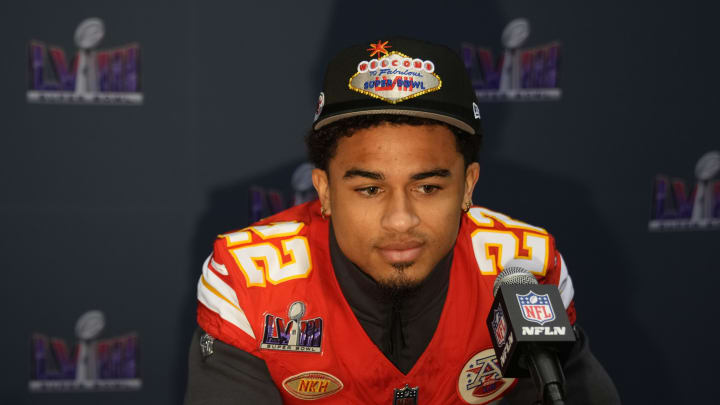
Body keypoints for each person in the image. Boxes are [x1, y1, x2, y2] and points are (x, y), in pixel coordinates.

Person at [184, 37, 619, 404]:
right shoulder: (246, 281)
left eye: (427, 187)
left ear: (468, 186)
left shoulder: (529, 268)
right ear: (324, 191)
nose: (400, 220)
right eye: (369, 189)